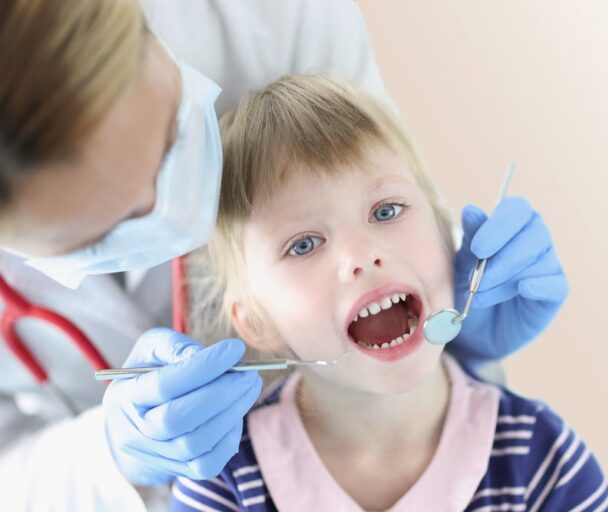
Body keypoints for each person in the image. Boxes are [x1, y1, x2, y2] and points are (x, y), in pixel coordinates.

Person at [0, 0, 567, 509]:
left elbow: (379, 170)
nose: (167, 211)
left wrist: (462, 314)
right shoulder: (229, 492)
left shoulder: (538, 455)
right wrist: (111, 455)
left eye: (169, 144)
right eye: (103, 230)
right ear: (253, 323)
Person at [169, 74, 608, 512]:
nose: (361, 254)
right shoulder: (224, 482)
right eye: (303, 244)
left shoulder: (543, 461)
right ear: (255, 320)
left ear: (447, 235)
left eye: (386, 210)